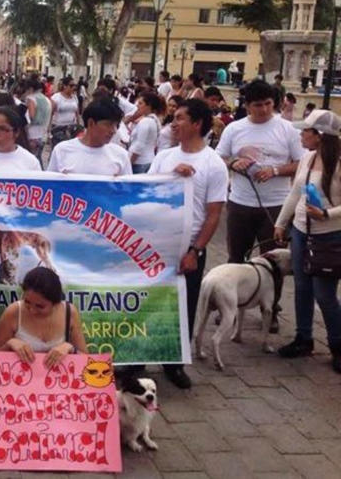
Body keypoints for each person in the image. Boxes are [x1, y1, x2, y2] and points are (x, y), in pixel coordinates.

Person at [148, 99, 228, 388]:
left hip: (189, 247)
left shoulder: (213, 164)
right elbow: (146, 191)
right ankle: (137, 359)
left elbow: (213, 214)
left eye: (180, 118)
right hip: (156, 243)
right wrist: (171, 176)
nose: (174, 123)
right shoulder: (164, 157)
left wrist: (197, 250)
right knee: (149, 300)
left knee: (184, 305)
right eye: (173, 118)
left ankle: (174, 362)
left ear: (197, 124)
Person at [274, 109, 341, 373]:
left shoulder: (338, 163)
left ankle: (337, 344)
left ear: (320, 136)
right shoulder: (307, 158)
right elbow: (295, 193)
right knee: (302, 287)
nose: (301, 135)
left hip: (330, 235)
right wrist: (281, 222)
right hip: (302, 231)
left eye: (306, 131)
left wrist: (327, 214)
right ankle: (304, 338)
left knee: (324, 294)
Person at [216, 79, 304, 266]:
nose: (264, 109)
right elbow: (219, 158)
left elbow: (301, 163)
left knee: (273, 262)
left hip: (276, 204)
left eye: (268, 104)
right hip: (241, 203)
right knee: (236, 259)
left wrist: (275, 170)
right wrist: (234, 163)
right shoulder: (234, 129)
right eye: (257, 105)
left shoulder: (288, 129)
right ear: (247, 106)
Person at [0, 267, 86, 366]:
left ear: (55, 304)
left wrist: (70, 348)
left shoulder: (70, 312)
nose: (32, 310)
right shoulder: (13, 312)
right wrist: (10, 344)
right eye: (27, 302)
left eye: (40, 306)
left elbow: (86, 359)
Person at [47, 97, 131, 176]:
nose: (114, 131)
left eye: (116, 125)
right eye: (108, 124)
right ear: (91, 123)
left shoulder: (121, 155)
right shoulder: (62, 150)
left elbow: (129, 188)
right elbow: (49, 185)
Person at [129, 91, 162, 173]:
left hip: (140, 162)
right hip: (147, 160)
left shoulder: (146, 121)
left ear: (149, 106)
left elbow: (139, 145)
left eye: (140, 103)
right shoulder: (154, 120)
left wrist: (129, 162)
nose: (137, 105)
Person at [24, 77, 52, 164]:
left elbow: (31, 116)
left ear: (30, 88)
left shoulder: (31, 98)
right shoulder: (47, 99)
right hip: (43, 132)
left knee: (31, 159)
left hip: (32, 133)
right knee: (39, 157)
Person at [50, 76, 82, 148]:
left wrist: (78, 125)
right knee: (59, 147)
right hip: (58, 127)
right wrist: (48, 129)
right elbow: (51, 113)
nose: (73, 88)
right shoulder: (56, 97)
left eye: (74, 85)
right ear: (64, 86)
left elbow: (77, 113)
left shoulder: (74, 97)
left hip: (71, 127)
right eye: (71, 85)